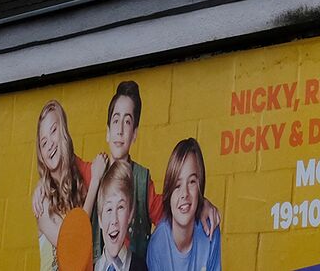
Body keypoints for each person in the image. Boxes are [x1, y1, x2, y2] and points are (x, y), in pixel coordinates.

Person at [87, 80, 220, 266]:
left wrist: (201, 204)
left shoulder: (143, 183)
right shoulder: (92, 171)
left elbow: (174, 212)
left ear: (135, 133)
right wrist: (94, 181)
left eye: (127, 122)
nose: (120, 130)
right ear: (107, 130)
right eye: (116, 121)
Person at [31, 100, 93, 271]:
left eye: (53, 131)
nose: (50, 144)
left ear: (64, 131)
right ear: (41, 155)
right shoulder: (43, 201)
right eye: (43, 143)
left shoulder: (79, 186)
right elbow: (73, 247)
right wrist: (95, 184)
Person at [147, 138, 221, 271]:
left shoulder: (209, 231)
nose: (184, 193)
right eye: (177, 185)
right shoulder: (158, 244)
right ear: (169, 192)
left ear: (200, 186)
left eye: (192, 182)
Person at [92, 156, 140, 271]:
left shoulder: (140, 267)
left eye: (120, 207)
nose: (114, 220)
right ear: (100, 219)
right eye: (109, 209)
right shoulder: (91, 268)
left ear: (130, 214)